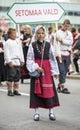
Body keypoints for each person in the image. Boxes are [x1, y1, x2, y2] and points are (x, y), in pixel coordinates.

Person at [27, 25, 60, 121]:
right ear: (35, 34)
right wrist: (36, 67)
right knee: (36, 92)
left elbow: (52, 59)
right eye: (38, 33)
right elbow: (29, 59)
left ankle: (51, 112)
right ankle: (36, 113)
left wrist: (55, 71)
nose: (40, 35)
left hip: (47, 70)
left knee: (49, 91)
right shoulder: (32, 45)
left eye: (42, 33)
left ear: (44, 34)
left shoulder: (49, 45)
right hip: (37, 69)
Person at [54, 19, 73, 94]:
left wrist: (62, 40)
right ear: (62, 25)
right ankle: (63, 86)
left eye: (68, 26)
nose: (66, 27)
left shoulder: (69, 33)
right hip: (60, 53)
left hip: (67, 53)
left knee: (65, 71)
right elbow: (56, 45)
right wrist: (58, 55)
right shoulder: (58, 33)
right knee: (61, 71)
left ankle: (59, 85)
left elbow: (70, 42)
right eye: (65, 26)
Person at [4, 28, 24, 96]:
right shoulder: (7, 42)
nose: (14, 35)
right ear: (9, 35)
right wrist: (9, 61)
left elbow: (20, 51)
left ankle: (16, 90)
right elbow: (6, 53)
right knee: (11, 76)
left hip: (17, 61)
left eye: (15, 34)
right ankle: (9, 90)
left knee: (17, 76)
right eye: (13, 34)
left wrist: (22, 60)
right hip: (11, 61)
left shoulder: (18, 41)